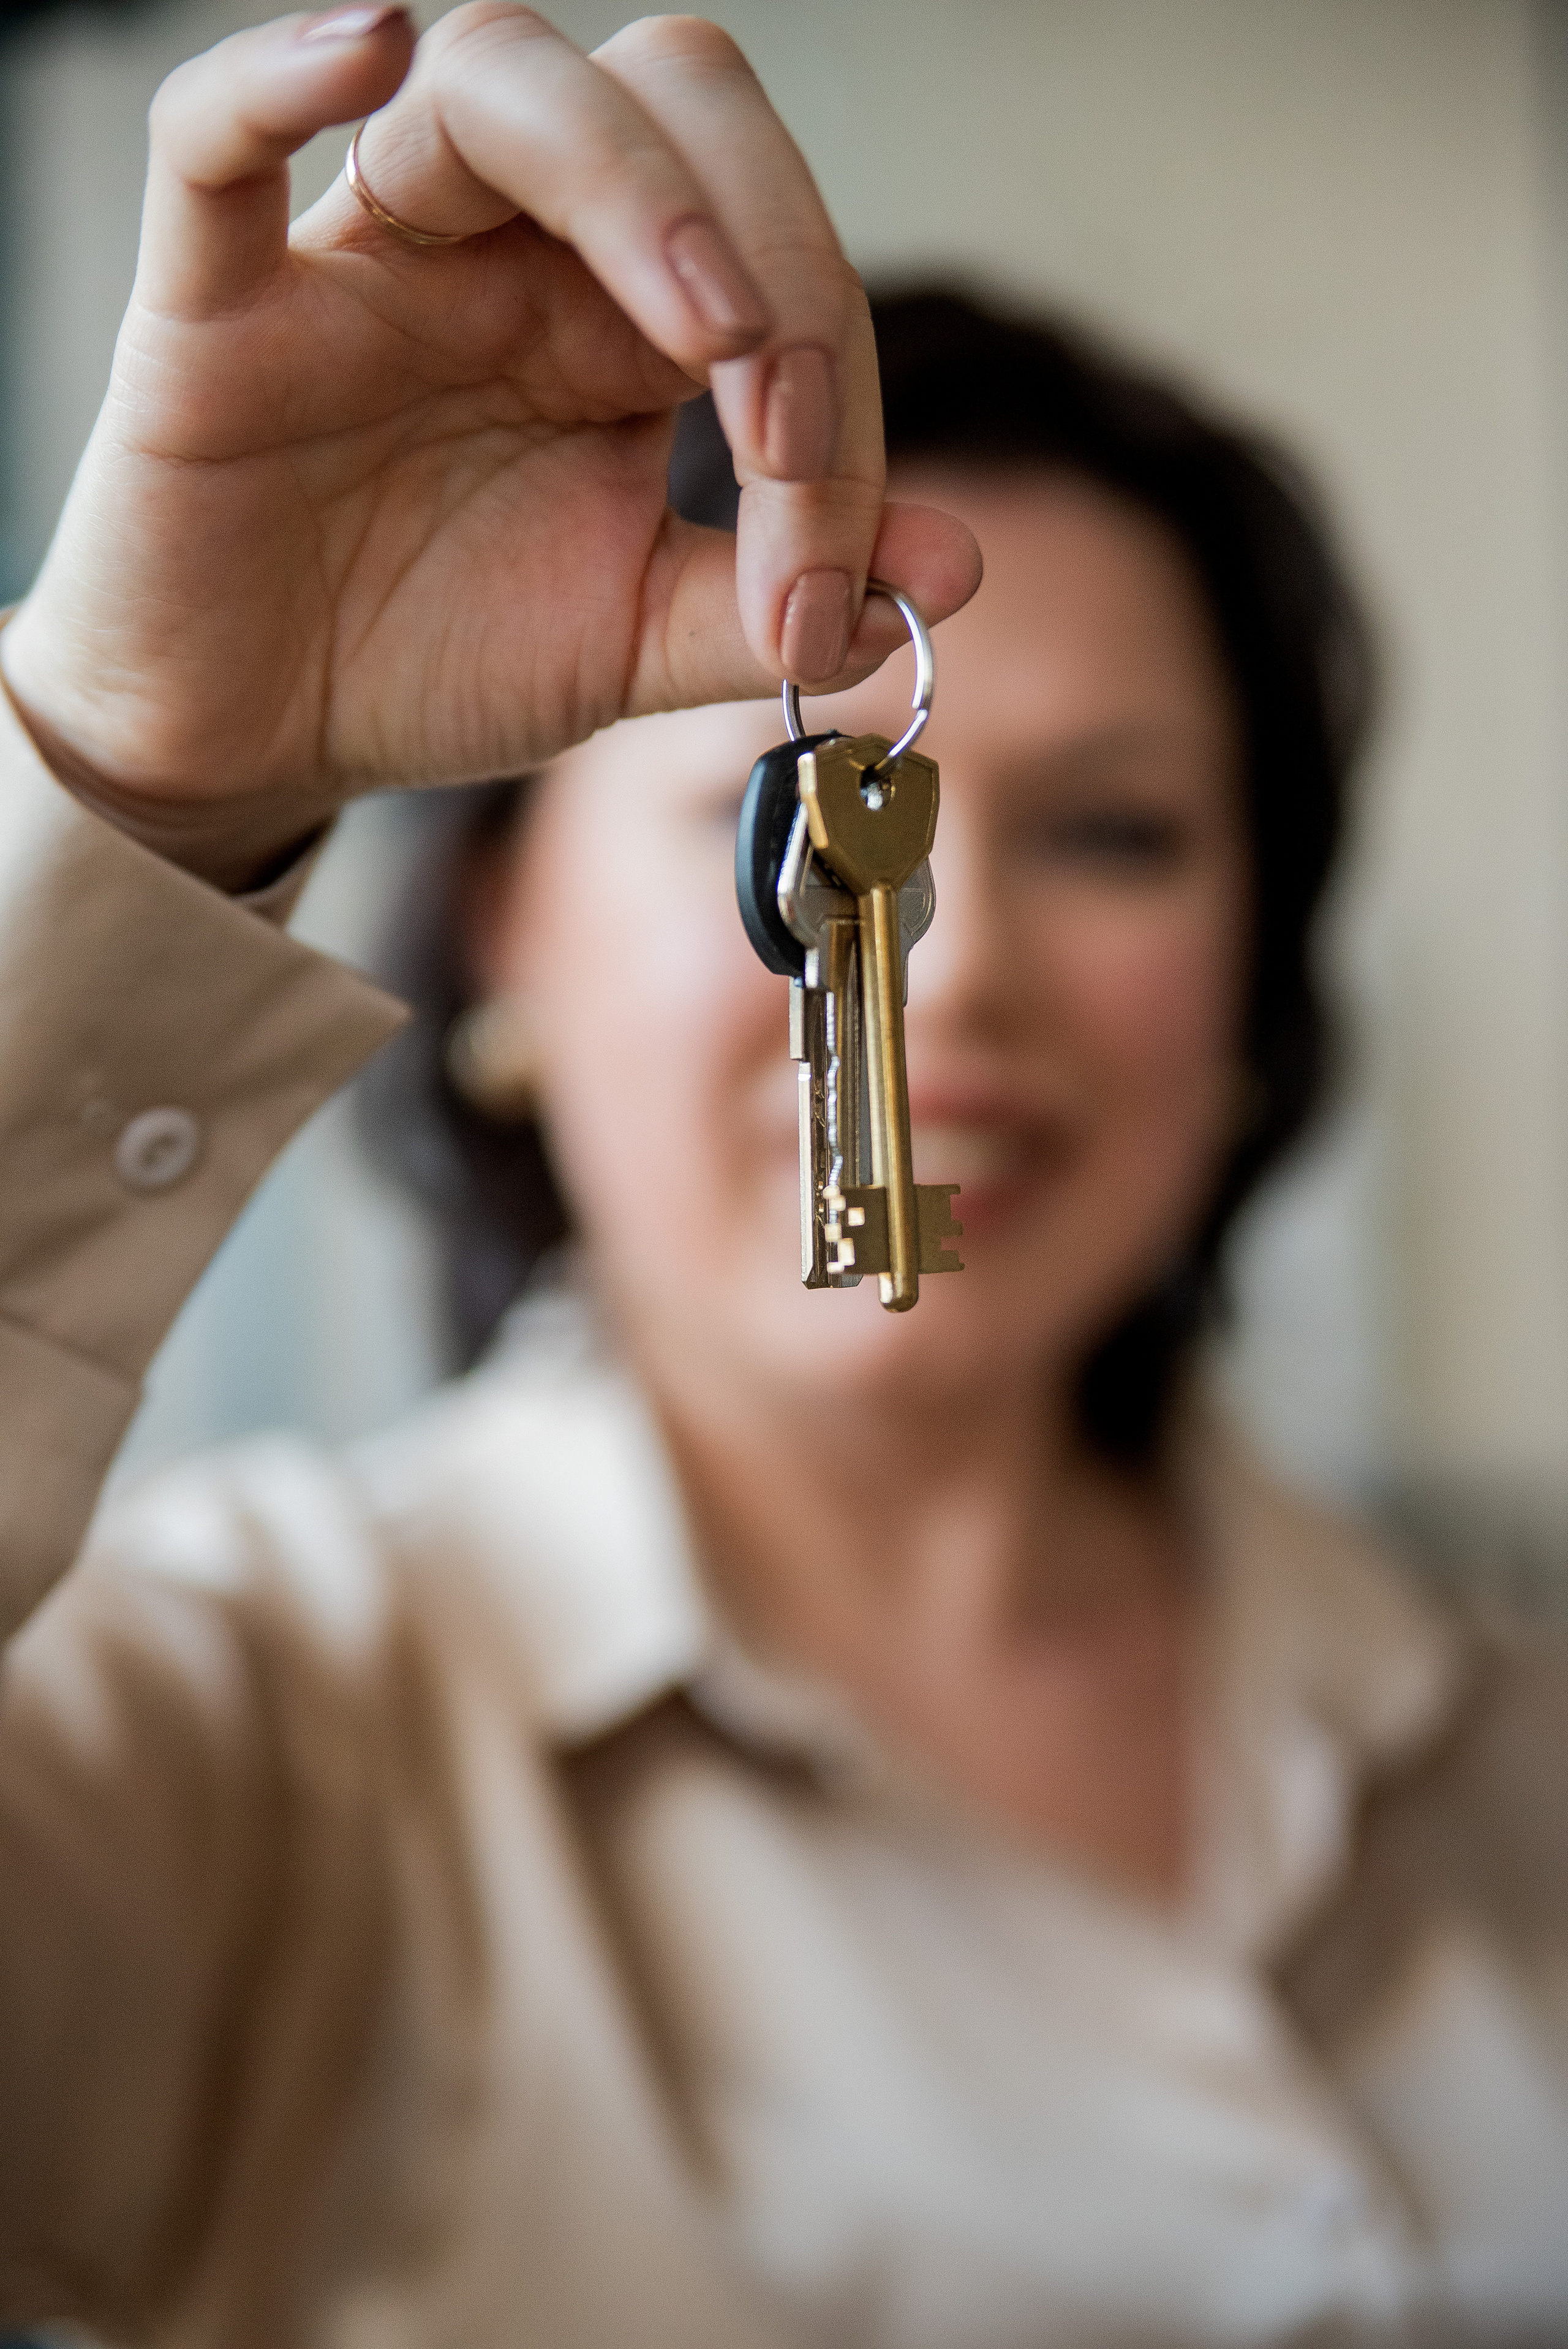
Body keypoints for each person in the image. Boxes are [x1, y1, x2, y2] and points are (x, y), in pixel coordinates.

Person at [0, 9, 1565, 2347]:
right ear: (500, 948)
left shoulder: (1515, 1736)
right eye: (787, 811)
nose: (961, 960)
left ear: (1252, 1009)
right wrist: (127, 777)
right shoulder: (245, 1725)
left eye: (1123, 830)